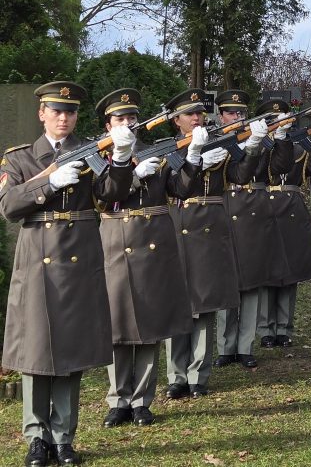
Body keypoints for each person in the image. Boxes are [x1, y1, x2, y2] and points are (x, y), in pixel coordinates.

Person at [1, 82, 135, 466]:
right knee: (36, 350)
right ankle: (36, 438)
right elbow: (9, 206)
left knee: (70, 349)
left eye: (71, 111)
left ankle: (63, 437)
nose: (64, 118)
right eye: (56, 111)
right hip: (36, 262)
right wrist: (49, 182)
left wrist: (121, 159)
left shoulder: (91, 152)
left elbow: (113, 195)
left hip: (78, 261)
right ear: (41, 113)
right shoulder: (20, 158)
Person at [95, 89, 203, 428]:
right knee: (118, 325)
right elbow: (104, 197)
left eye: (131, 118)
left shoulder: (155, 151)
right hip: (116, 242)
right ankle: (118, 400)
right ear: (108, 125)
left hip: (153, 242)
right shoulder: (97, 156)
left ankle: (142, 400)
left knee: (149, 323)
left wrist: (193, 157)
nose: (127, 123)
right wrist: (131, 174)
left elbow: (180, 189)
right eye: (120, 118)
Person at [163, 89, 268, 400]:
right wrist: (192, 159)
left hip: (210, 227)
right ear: (176, 120)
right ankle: (176, 375)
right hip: (179, 225)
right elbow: (171, 187)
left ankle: (198, 375)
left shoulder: (220, 142)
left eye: (199, 112)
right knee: (178, 303)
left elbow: (240, 175)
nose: (196, 118)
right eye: (189, 114)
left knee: (205, 303)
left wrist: (252, 147)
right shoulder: (168, 148)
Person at [216, 92, 292, 369]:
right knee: (227, 281)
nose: (237, 117)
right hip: (224, 210)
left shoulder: (260, 137)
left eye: (241, 113)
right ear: (221, 116)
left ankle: (245, 346)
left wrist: (281, 137)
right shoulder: (212, 141)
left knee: (251, 282)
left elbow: (281, 168)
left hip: (253, 213)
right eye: (231, 113)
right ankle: (225, 347)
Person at [258, 102, 311, 349]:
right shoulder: (258, 146)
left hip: (291, 211)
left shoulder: (297, 147)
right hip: (264, 209)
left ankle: (284, 328)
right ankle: (266, 329)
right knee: (266, 272)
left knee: (289, 273)